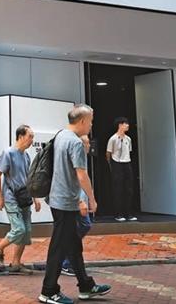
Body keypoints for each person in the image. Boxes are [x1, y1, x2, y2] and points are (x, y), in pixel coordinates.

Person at [39, 104, 111, 304]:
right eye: (91, 121)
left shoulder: (60, 136)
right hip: (65, 202)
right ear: (82, 121)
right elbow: (81, 174)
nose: (91, 125)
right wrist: (91, 198)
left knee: (73, 246)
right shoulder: (75, 143)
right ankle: (48, 291)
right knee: (59, 248)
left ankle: (86, 286)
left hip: (58, 200)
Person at [0, 124, 41, 274]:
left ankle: (16, 263)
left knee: (26, 231)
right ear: (20, 136)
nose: (32, 140)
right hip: (11, 197)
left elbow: (29, 179)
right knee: (19, 229)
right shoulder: (8, 153)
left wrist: (36, 198)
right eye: (30, 136)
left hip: (24, 197)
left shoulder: (26, 156)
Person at [61, 135, 93, 277]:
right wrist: (81, 201)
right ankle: (66, 262)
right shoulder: (76, 158)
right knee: (82, 227)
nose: (88, 146)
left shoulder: (83, 159)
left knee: (79, 229)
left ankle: (67, 260)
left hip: (79, 201)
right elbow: (74, 182)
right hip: (75, 203)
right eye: (86, 143)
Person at [106, 117, 137, 222]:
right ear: (120, 125)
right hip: (116, 163)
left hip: (127, 162)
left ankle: (128, 213)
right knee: (118, 189)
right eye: (125, 123)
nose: (127, 125)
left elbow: (129, 151)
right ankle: (118, 214)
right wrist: (112, 165)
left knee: (129, 189)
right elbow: (108, 153)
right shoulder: (113, 139)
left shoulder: (128, 139)